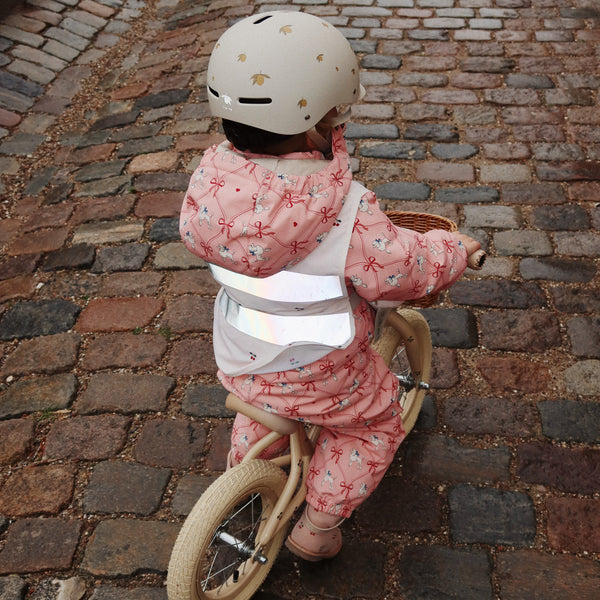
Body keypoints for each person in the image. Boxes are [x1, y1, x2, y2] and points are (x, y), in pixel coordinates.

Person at [180, 11, 481, 562]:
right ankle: (316, 528)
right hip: (325, 366)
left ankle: (253, 468)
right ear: (322, 115)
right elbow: (405, 271)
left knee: (263, 401)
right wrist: (456, 250)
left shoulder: (209, 183)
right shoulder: (346, 214)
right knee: (373, 424)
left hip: (244, 353)